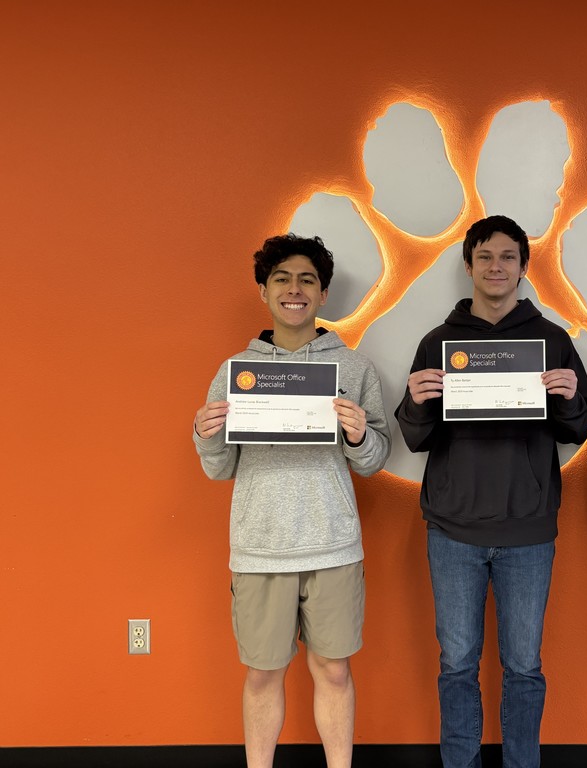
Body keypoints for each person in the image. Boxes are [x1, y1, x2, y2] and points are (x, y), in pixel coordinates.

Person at [396, 215, 587, 768]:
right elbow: (414, 436)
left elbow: (578, 429)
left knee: (524, 667)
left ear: (523, 268)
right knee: (457, 665)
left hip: (528, 531)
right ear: (468, 266)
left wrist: (570, 396)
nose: (495, 267)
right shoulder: (438, 343)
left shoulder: (552, 340)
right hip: (454, 531)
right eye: (484, 256)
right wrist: (415, 400)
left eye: (507, 257)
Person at [192, 234, 391, 768]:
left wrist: (357, 436)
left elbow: (374, 459)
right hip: (260, 547)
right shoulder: (237, 370)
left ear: (323, 293)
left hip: (333, 545)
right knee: (261, 674)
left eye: (307, 280)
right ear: (264, 291)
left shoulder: (353, 368)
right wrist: (207, 433)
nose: (294, 289)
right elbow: (219, 467)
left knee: (333, 671)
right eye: (282, 278)